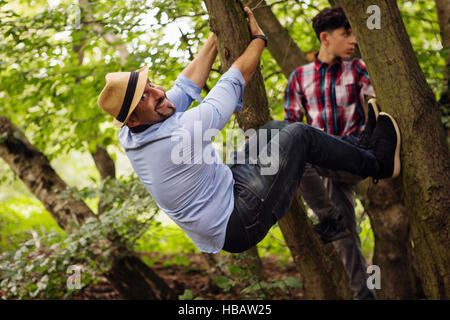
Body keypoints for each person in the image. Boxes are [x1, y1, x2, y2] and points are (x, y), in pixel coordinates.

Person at [97, 7, 400, 269]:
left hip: (226, 186)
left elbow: (186, 85)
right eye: (146, 97)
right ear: (134, 118)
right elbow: (232, 81)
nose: (158, 94)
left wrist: (217, 33)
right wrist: (258, 40)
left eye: (151, 86)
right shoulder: (179, 135)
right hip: (236, 223)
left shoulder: (134, 128)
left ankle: (360, 145)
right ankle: (378, 163)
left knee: (273, 130)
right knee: (298, 134)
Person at [284, 6, 381, 299]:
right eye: (346, 33)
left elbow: (380, 105)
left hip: (352, 154)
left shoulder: (358, 68)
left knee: (299, 151)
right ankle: (363, 294)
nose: (353, 40)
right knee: (346, 235)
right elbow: (291, 126)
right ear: (325, 38)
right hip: (322, 166)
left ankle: (329, 219)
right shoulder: (300, 77)